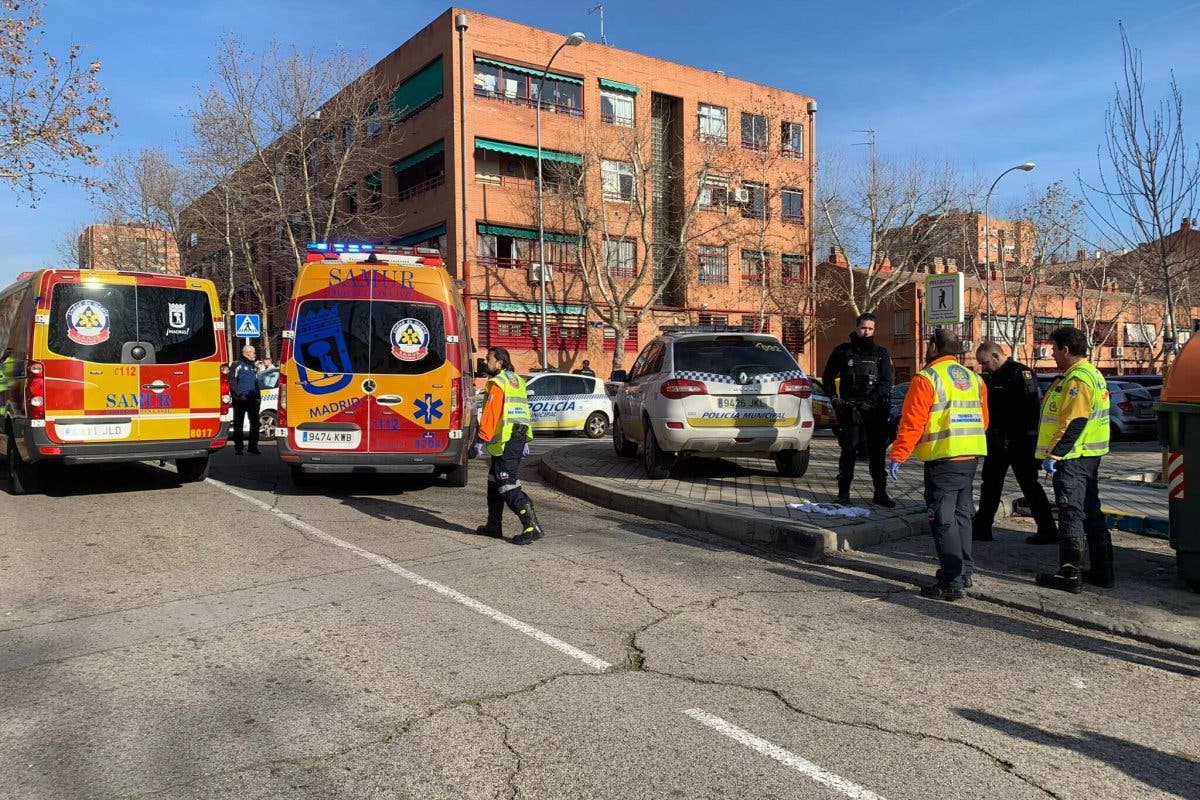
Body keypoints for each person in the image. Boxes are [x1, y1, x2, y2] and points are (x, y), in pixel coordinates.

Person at [888, 328, 989, 601]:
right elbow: (984, 419)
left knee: (943, 520)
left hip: (943, 460)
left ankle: (950, 580)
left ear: (933, 347)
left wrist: (899, 454)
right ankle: (965, 571)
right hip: (970, 456)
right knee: (962, 515)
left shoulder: (927, 378)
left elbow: (912, 422)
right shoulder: (974, 378)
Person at [1034, 326, 1113, 593]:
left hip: (1074, 458)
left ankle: (1069, 575)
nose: (1052, 354)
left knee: (1070, 513)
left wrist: (1055, 454)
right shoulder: (1093, 373)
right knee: (1091, 512)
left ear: (1066, 350)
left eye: (1054, 349)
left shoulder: (1078, 379)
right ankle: (1103, 572)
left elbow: (1075, 421)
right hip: (1088, 456)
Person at [972, 342, 1058, 544]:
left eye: (985, 363)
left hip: (1021, 443)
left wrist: (1031, 443)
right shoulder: (993, 376)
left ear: (996, 356)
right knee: (990, 485)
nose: (984, 368)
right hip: (998, 441)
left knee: (1030, 486)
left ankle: (1047, 530)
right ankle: (982, 528)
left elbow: (1031, 411)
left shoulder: (1022, 374)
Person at [822, 312, 896, 507]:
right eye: (864, 328)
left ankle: (880, 493)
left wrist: (871, 401)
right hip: (850, 410)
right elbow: (828, 376)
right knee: (848, 451)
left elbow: (886, 382)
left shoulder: (881, 353)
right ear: (857, 327)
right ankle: (843, 494)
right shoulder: (843, 351)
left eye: (871, 328)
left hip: (875, 411)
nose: (867, 332)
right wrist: (835, 399)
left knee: (877, 453)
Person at [474, 347, 545, 545]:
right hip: (515, 437)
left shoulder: (497, 383)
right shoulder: (516, 380)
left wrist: (481, 439)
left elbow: (491, 414)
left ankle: (531, 526)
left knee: (507, 484)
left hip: (507, 440)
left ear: (499, 363)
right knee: (494, 482)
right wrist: (524, 440)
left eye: (488, 359)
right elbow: (522, 410)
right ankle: (493, 525)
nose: (484, 362)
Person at [231, 344, 262, 456]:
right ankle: (239, 447)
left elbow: (256, 383)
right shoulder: (237, 365)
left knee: (255, 423)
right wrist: (239, 395)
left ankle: (253, 447)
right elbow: (232, 381)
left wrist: (259, 397)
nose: (255, 354)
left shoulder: (253, 366)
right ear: (247, 353)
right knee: (238, 423)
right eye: (253, 352)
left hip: (253, 400)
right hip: (240, 400)